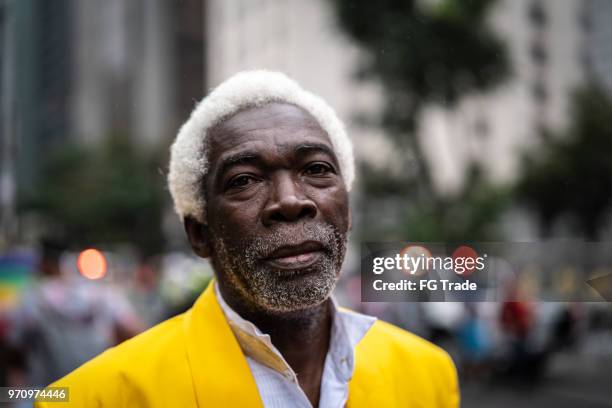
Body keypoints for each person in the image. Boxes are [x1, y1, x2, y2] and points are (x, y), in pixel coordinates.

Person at [37, 71, 459, 407]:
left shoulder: (428, 375)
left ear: (346, 213)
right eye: (244, 180)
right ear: (200, 233)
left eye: (315, 169)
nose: (291, 201)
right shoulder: (94, 399)